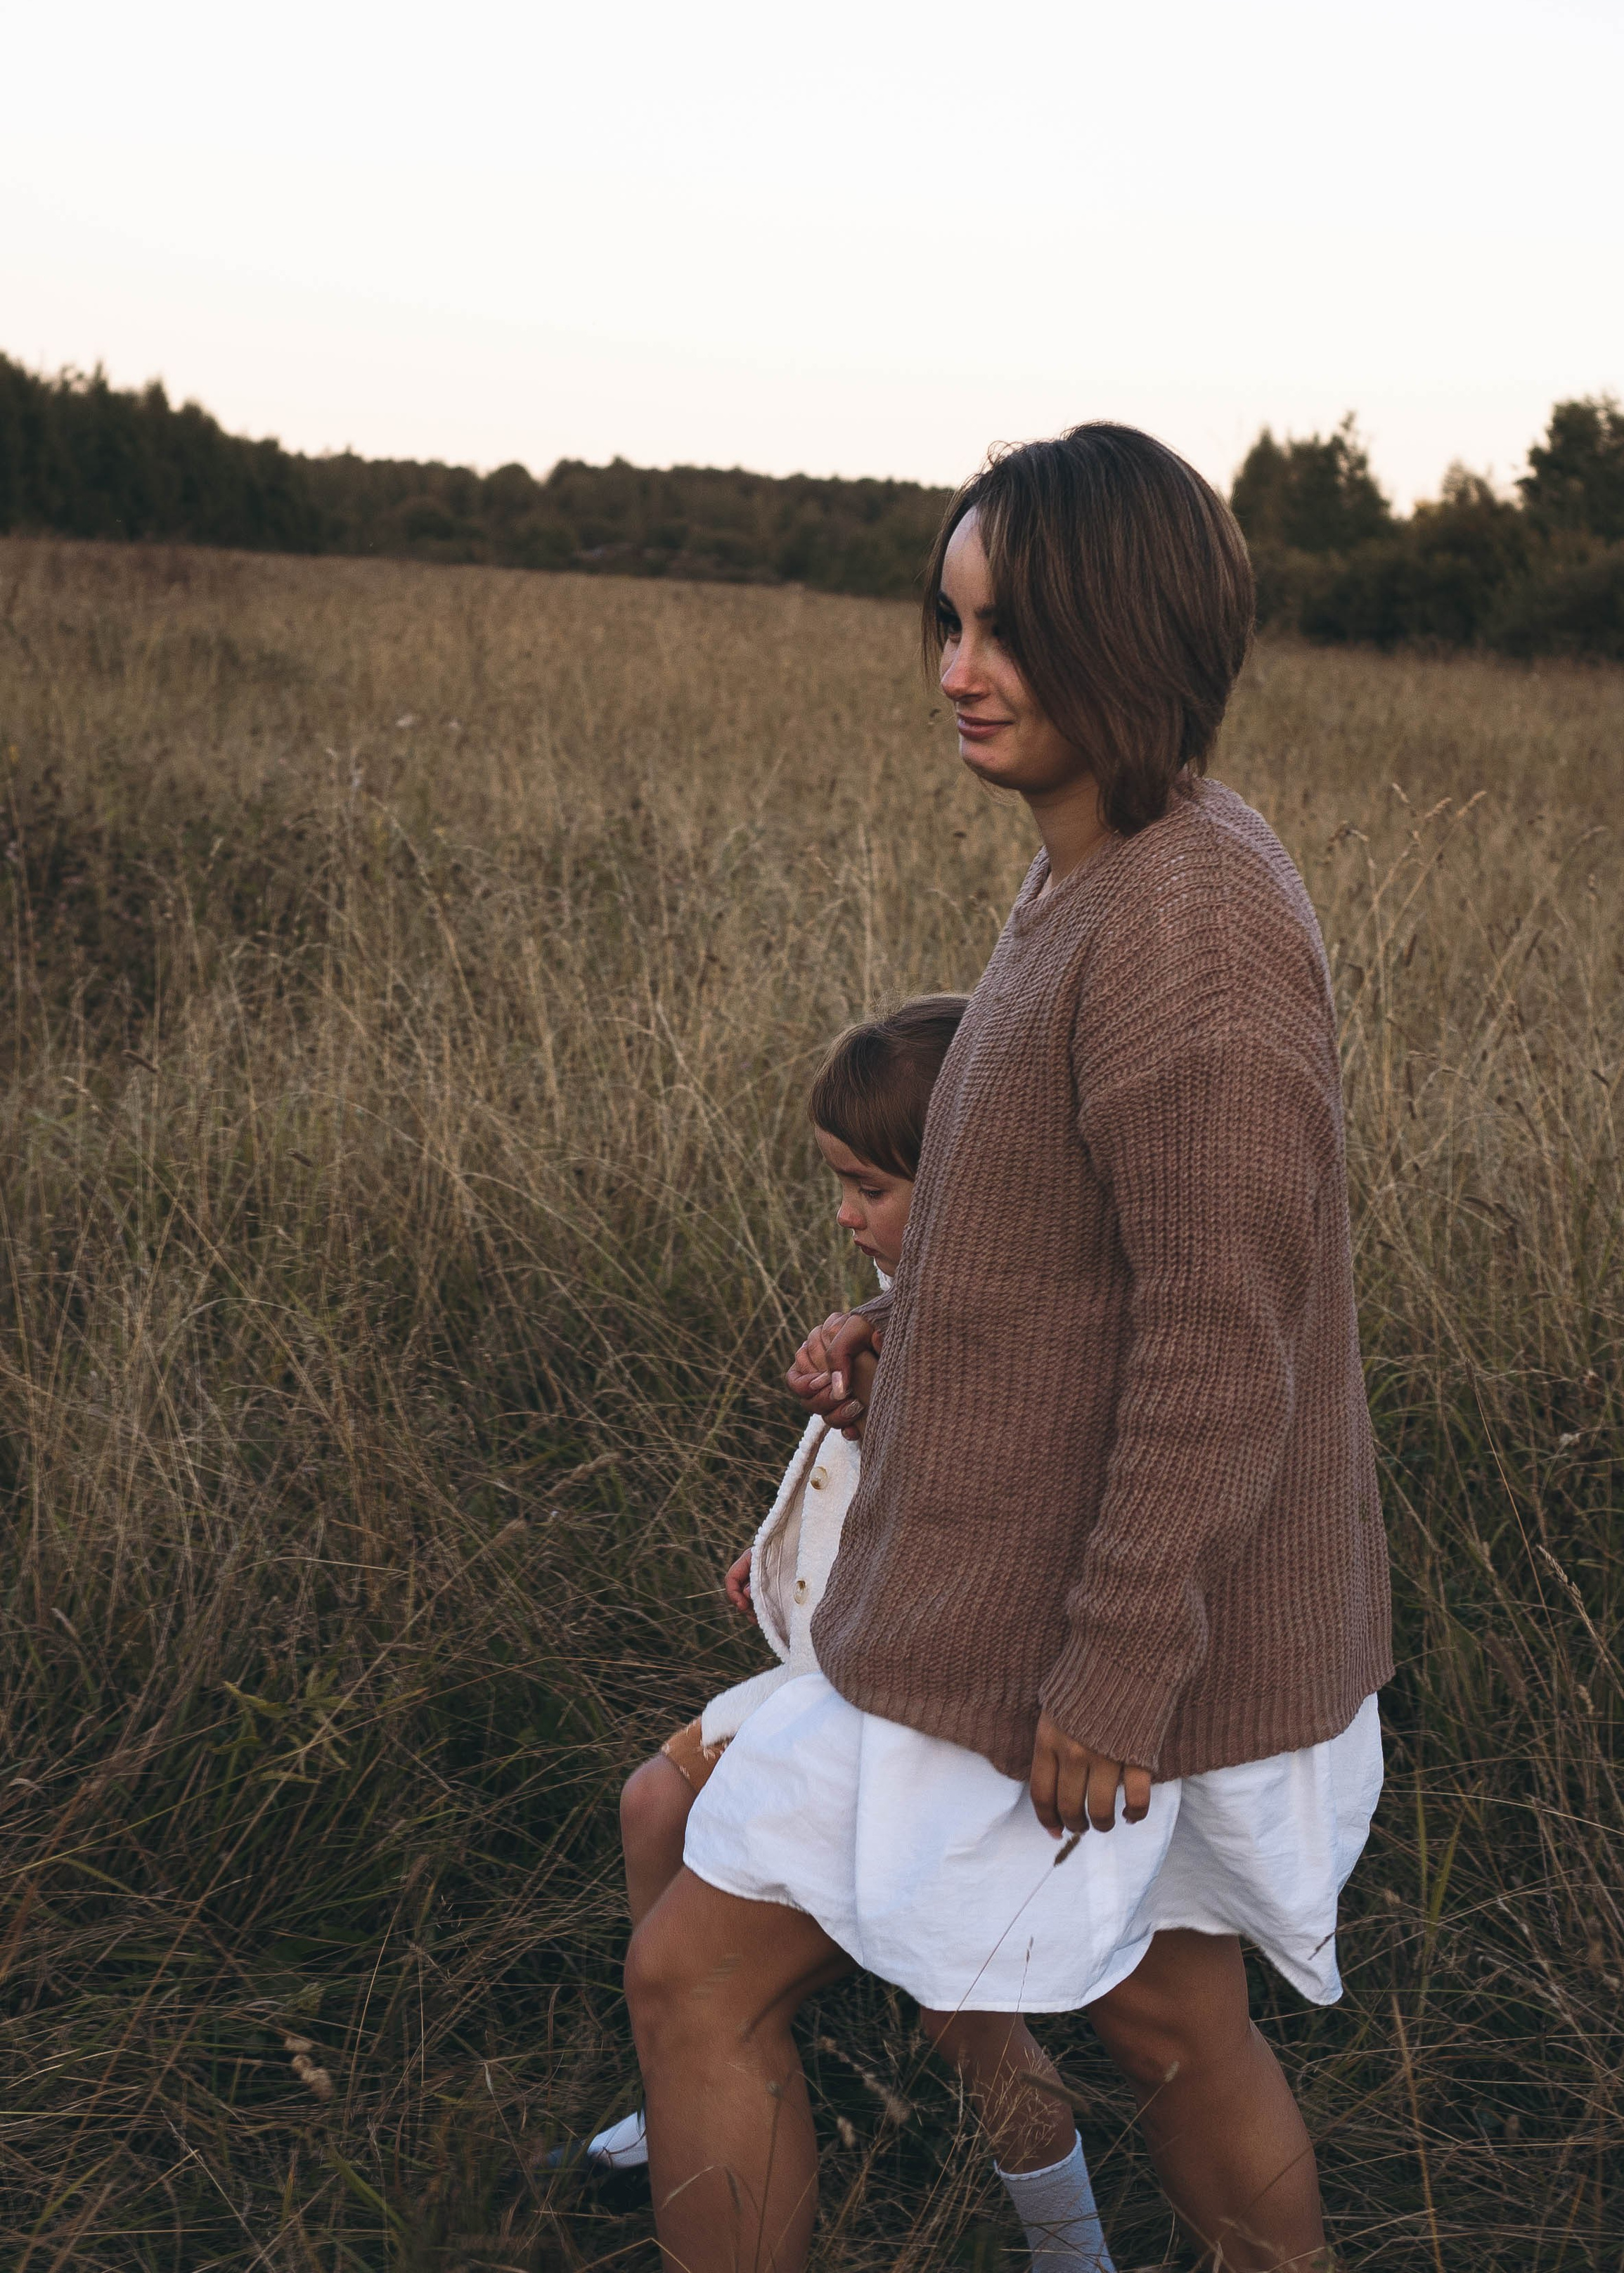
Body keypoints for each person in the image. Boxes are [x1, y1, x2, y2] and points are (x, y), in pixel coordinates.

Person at [626, 425, 1394, 2273]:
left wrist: (1117, 1671)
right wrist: (913, 1349)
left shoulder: (1186, 924)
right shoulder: (1098, 868)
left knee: (697, 1978)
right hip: (1043, 1609)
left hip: (1083, 1646)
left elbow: (1225, 1344)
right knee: (1168, 2021)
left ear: (1124, 638)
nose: (960, 671)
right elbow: (1079, 1270)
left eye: (1010, 631)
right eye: (950, 623)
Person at [565, 996, 1119, 2273]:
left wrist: (879, 1404)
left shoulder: (1017, 1329)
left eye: (869, 1185)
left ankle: (1071, 2243)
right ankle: (678, 2092)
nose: (845, 1212)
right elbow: (870, 1485)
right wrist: (779, 1555)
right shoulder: (904, 1301)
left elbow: (983, 1521)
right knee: (656, 1806)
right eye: (840, 1183)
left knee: (960, 2010)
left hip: (952, 1708)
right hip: (848, 1669)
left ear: (973, 1180)